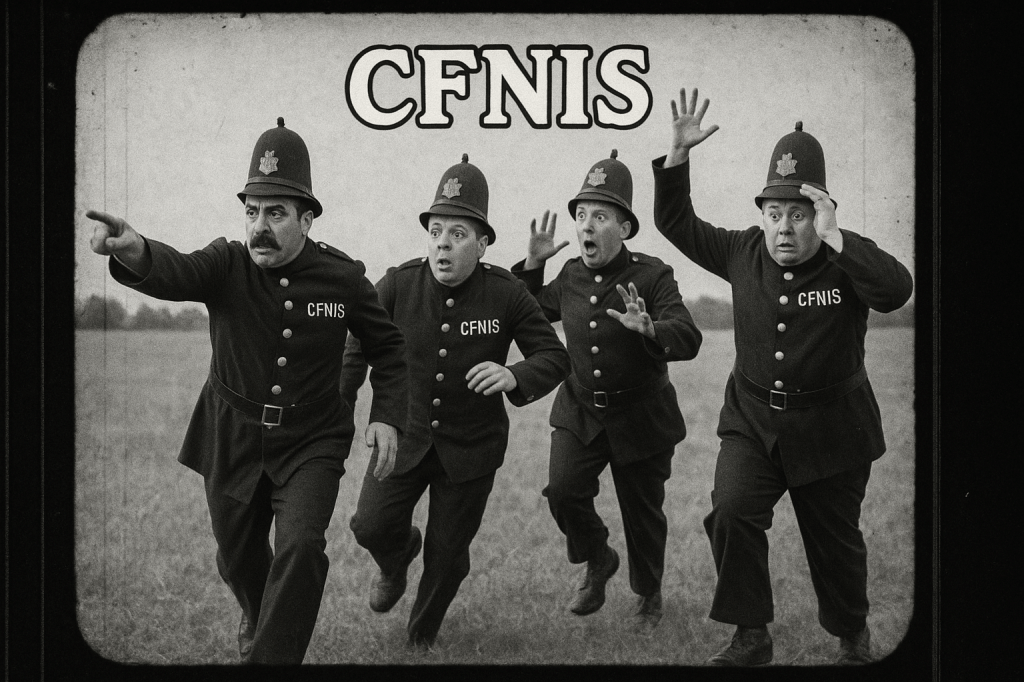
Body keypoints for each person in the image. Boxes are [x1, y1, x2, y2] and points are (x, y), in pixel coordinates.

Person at [86, 118, 409, 664]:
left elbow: (389, 346)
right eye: (252, 211)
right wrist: (135, 248)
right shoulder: (227, 263)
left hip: (311, 440)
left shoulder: (343, 277)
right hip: (231, 435)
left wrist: (388, 414)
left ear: (306, 219)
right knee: (237, 559)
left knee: (300, 547)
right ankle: (258, 612)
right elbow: (178, 271)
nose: (259, 226)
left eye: (275, 213)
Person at [651, 88, 914, 665]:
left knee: (835, 542)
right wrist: (678, 155)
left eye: (798, 214)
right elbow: (674, 220)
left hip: (833, 428)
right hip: (753, 422)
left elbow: (897, 291)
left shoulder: (846, 258)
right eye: (774, 214)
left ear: (821, 214)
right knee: (731, 510)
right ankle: (751, 636)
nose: (784, 229)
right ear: (762, 217)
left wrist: (840, 238)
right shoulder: (740, 252)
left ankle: (852, 636)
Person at [342, 154, 571, 649]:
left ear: (483, 243)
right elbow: (357, 345)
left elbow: (554, 356)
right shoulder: (397, 284)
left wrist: (513, 374)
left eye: (458, 233)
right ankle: (397, 559)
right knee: (370, 525)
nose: (442, 243)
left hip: (471, 448)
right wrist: (341, 409)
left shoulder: (507, 293)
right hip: (404, 437)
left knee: (447, 556)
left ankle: (419, 639)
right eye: (436, 231)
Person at [511, 150, 702, 629]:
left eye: (599, 216)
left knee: (642, 513)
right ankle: (598, 557)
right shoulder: (570, 275)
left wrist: (651, 327)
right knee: (563, 491)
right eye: (581, 216)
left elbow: (688, 335)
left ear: (625, 227)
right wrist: (532, 264)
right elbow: (525, 311)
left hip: (642, 414)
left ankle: (648, 597)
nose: (586, 226)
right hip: (581, 410)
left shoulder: (653, 275)